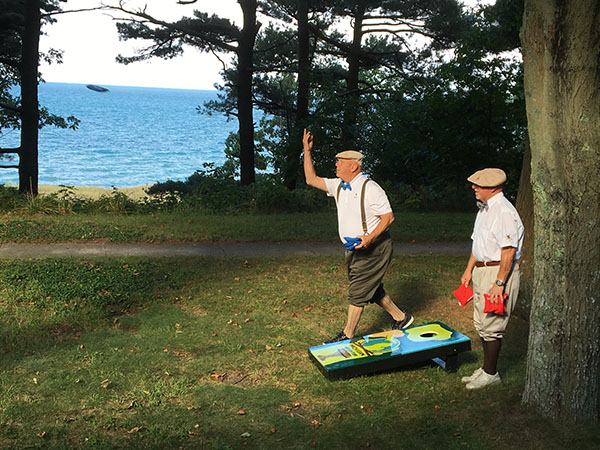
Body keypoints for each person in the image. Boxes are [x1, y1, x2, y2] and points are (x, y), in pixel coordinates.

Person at [302, 129, 414, 343]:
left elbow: (388, 217)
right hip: (353, 248)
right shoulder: (338, 186)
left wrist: (369, 238)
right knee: (370, 288)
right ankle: (401, 317)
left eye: (339, 162)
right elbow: (310, 179)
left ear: (353, 166)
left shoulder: (371, 188)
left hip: (375, 247)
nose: (336, 165)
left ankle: (347, 334)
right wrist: (307, 150)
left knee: (358, 291)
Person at [460, 168, 524, 390]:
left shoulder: (504, 211)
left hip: (498, 272)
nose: (473, 188)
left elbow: (508, 250)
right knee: (481, 322)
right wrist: (469, 270)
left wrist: (499, 283)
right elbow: (478, 243)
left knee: (492, 324)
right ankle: (486, 368)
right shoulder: (485, 209)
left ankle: (491, 373)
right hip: (482, 269)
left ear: (492, 188)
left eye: (478, 185)